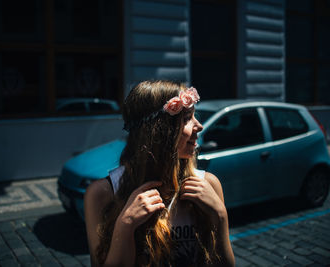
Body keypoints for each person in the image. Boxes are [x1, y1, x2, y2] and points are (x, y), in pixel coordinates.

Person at [84, 80, 235, 267]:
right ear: (159, 131)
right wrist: (125, 225)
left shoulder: (209, 185)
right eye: (187, 118)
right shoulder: (103, 194)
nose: (200, 126)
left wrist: (220, 216)